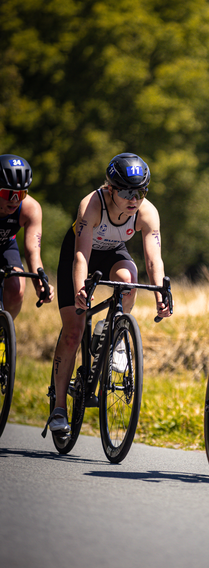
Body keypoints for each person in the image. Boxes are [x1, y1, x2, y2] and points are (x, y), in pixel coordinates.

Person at [48, 152, 172, 434]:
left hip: (113, 254)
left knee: (129, 279)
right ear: (110, 188)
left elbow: (154, 259)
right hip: (81, 254)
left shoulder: (147, 212)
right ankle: (58, 407)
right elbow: (81, 255)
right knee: (72, 332)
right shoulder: (91, 204)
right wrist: (81, 288)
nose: (134, 199)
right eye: (127, 192)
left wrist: (160, 294)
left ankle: (113, 331)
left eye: (140, 191)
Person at [0, 154, 54, 318]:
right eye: (9, 194)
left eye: (21, 194)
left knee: (17, 290)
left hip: (6, 245)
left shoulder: (30, 208)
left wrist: (40, 284)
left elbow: (33, 252)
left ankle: (3, 335)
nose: (15, 201)